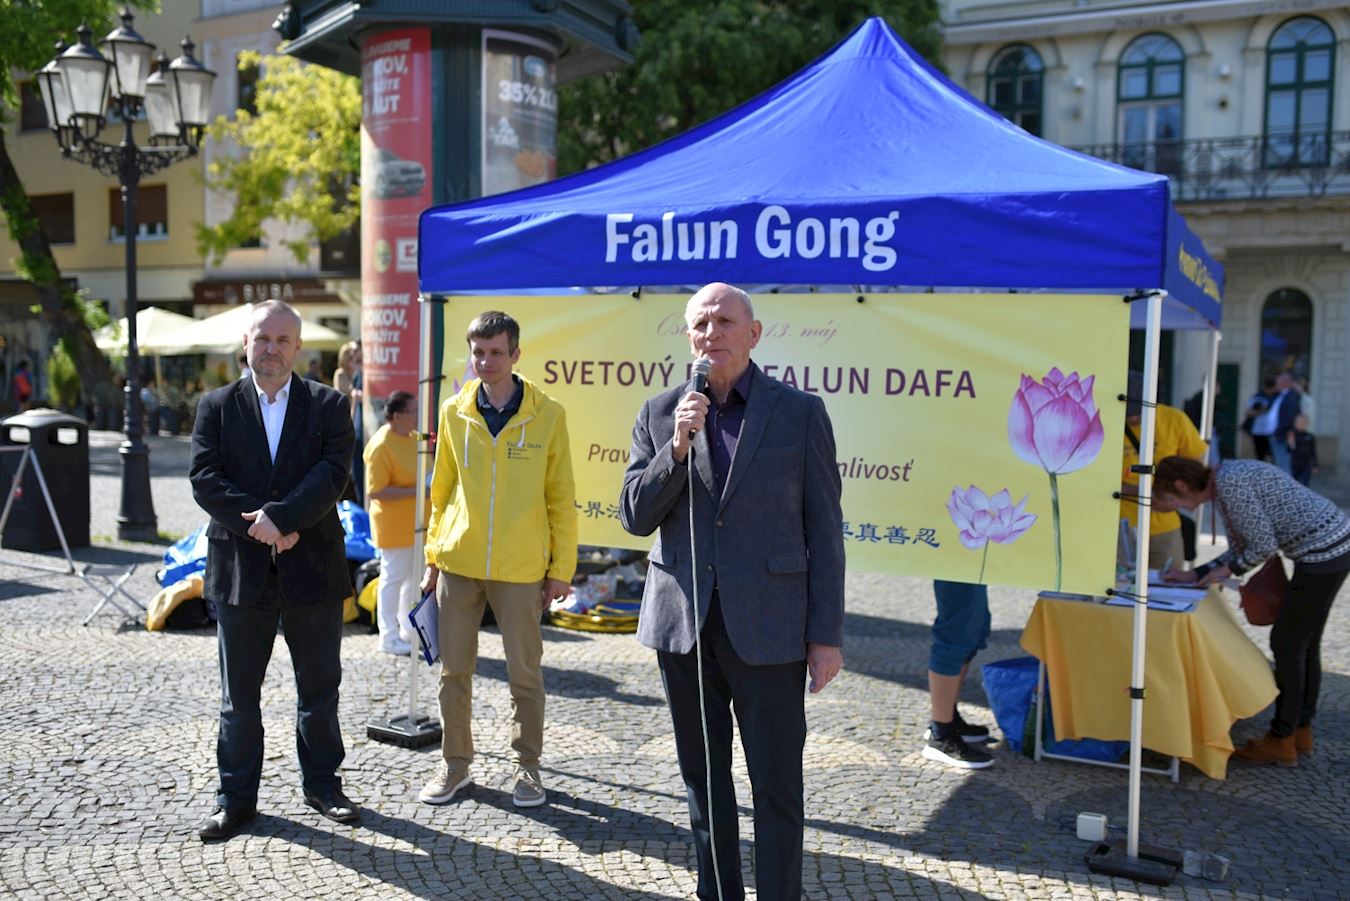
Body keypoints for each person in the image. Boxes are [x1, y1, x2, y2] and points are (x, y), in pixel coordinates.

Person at [619, 282, 845, 901]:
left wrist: (825, 636)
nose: (711, 333)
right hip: (684, 628)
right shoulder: (661, 413)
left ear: (754, 333)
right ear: (688, 336)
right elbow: (634, 516)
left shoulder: (800, 413)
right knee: (703, 780)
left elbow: (825, 531)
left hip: (771, 628)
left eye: (724, 321)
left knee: (777, 786)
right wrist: (675, 449)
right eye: (700, 323)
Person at [189, 299, 359, 841]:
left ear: (298, 347)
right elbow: (205, 478)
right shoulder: (215, 406)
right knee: (239, 698)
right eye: (262, 338)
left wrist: (281, 519)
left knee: (320, 690)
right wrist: (260, 526)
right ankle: (235, 799)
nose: (271, 349)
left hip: (313, 566)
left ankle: (324, 786)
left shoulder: (330, 405)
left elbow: (333, 473)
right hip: (241, 571)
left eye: (282, 340)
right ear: (246, 343)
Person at [418, 311, 576, 809]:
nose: (486, 362)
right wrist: (433, 558)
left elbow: (560, 497)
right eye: (478, 353)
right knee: (453, 674)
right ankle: (455, 765)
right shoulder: (453, 411)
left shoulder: (549, 414)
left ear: (516, 354)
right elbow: (441, 493)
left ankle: (528, 767)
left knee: (524, 675)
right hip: (458, 563)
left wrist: (560, 570)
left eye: (496, 352)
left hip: (522, 568)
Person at [1157, 456, 1350, 766]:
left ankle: (1281, 739)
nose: (1172, 508)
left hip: (1323, 552)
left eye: (1168, 499)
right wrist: (1197, 573)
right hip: (1331, 546)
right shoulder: (1225, 479)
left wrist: (1228, 570)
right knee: (1303, 643)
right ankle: (1300, 731)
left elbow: (1262, 546)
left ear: (1181, 486)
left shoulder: (1229, 483)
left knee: (1288, 644)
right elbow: (1244, 546)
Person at [1119, 371, 1208, 570]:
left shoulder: (1174, 419)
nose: (1133, 417)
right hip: (1120, 527)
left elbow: (1196, 467)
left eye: (1138, 411)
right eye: (1127, 411)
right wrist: (1144, 493)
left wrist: (1172, 496)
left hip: (1165, 527)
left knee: (1169, 581)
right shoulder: (1106, 421)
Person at [364, 390, 420, 656]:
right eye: (413, 411)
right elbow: (376, 491)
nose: (417, 416)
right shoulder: (381, 445)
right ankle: (388, 636)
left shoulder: (412, 438)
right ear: (397, 416)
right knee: (393, 579)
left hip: (415, 524)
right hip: (393, 525)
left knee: (411, 580)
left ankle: (408, 629)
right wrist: (418, 491)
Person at [923, 580, 994, 768]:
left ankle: (948, 717)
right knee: (955, 635)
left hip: (972, 566)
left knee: (974, 630)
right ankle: (941, 734)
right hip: (959, 564)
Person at [333, 341, 365, 504]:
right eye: (351, 354)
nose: (353, 357)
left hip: (356, 421)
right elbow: (350, 394)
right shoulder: (341, 374)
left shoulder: (358, 373)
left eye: (355, 352)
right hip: (346, 421)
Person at [1252, 372, 1300, 474]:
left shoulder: (1291, 396)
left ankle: (1286, 483)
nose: (1276, 384)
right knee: (1278, 462)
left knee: (1283, 463)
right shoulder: (1279, 395)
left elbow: (1289, 417)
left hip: (1281, 435)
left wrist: (1278, 431)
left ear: (1284, 382)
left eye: (1277, 381)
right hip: (1272, 434)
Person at [1241, 379, 1274, 462]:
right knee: (1260, 454)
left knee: (1271, 454)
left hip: (1271, 431)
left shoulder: (1276, 397)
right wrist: (1261, 410)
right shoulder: (1258, 397)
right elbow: (1248, 412)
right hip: (1258, 430)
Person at [1289, 414, 1318, 487]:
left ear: (1307, 424)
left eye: (1303, 422)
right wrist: (1291, 444)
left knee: (1305, 484)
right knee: (1294, 484)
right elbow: (1289, 450)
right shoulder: (1292, 435)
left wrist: (1315, 465)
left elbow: (1312, 452)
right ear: (1295, 423)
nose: (1301, 424)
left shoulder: (1310, 436)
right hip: (1295, 464)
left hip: (1306, 464)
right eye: (1299, 422)